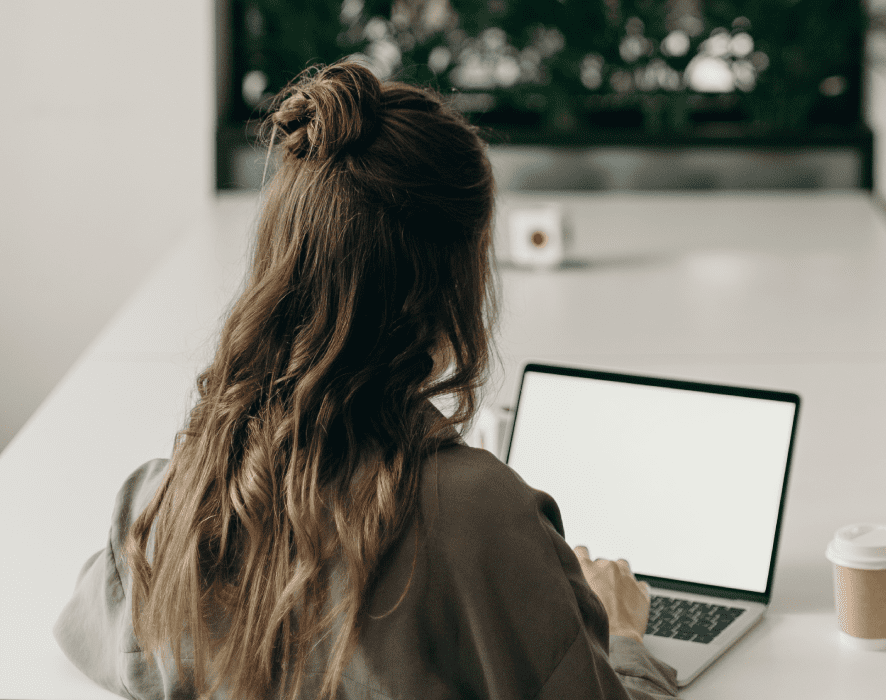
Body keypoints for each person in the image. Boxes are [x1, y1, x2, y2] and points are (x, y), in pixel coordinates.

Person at [53, 60, 679, 700]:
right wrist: (624, 636)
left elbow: (98, 635)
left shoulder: (165, 503)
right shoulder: (481, 520)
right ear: (455, 287)